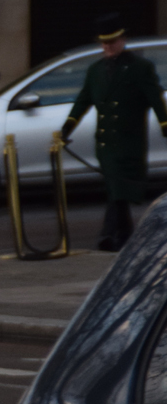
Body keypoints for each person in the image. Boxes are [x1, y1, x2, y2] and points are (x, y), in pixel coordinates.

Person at [61, 13, 167, 251]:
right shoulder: (95, 71)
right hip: (106, 143)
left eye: (112, 42)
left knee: (117, 189)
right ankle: (125, 235)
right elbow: (83, 101)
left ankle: (110, 234)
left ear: (122, 39)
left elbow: (155, 98)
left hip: (128, 141)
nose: (108, 47)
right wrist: (67, 127)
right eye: (104, 43)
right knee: (115, 191)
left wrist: (164, 124)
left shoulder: (140, 68)